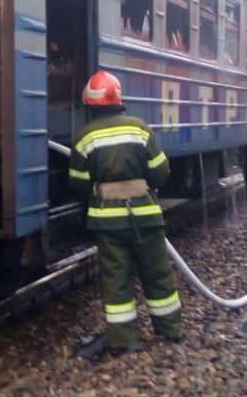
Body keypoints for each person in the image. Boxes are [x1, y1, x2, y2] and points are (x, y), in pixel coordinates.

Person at [68, 71, 183, 359]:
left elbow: (77, 182)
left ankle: (124, 339)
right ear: (119, 99)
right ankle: (170, 330)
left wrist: (99, 185)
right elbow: (160, 173)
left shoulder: (84, 137)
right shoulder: (140, 129)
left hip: (108, 222)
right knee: (157, 273)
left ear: (89, 104)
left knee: (116, 278)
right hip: (146, 217)